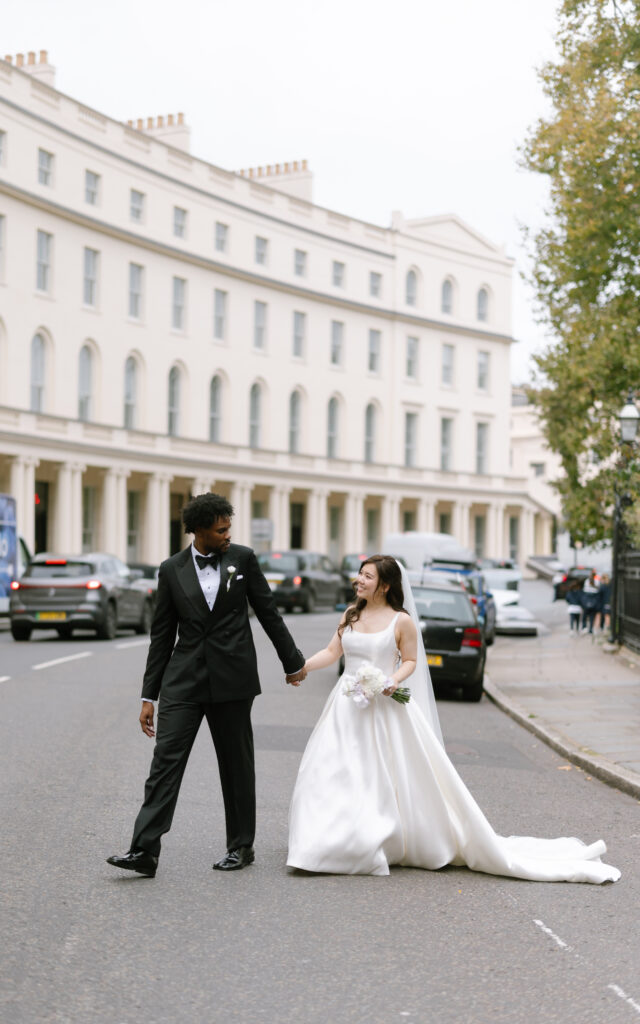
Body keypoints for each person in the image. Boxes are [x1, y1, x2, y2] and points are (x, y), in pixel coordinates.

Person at [286, 555, 620, 883]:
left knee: (382, 775)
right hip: (346, 707)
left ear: (385, 586)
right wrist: (303, 667)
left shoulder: (400, 621)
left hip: (383, 705)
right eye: (359, 574)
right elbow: (333, 653)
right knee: (333, 770)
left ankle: (374, 839)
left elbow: (412, 660)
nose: (359, 580)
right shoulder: (350, 614)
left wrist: (392, 681)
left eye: (367, 576)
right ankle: (326, 839)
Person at [107, 493, 305, 878]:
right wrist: (149, 695)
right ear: (198, 531)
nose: (228, 535)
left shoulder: (243, 559)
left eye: (229, 528)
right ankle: (143, 850)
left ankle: (241, 846)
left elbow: (268, 612)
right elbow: (161, 635)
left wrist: (292, 661)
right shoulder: (170, 569)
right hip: (183, 681)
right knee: (165, 763)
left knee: (236, 765)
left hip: (233, 680)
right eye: (220, 530)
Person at [581, 570, 600, 634]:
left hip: (587, 599)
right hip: (594, 599)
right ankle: (591, 629)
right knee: (592, 616)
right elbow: (598, 590)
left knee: (585, 615)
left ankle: (584, 627)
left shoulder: (587, 581)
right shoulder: (597, 582)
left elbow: (584, 590)